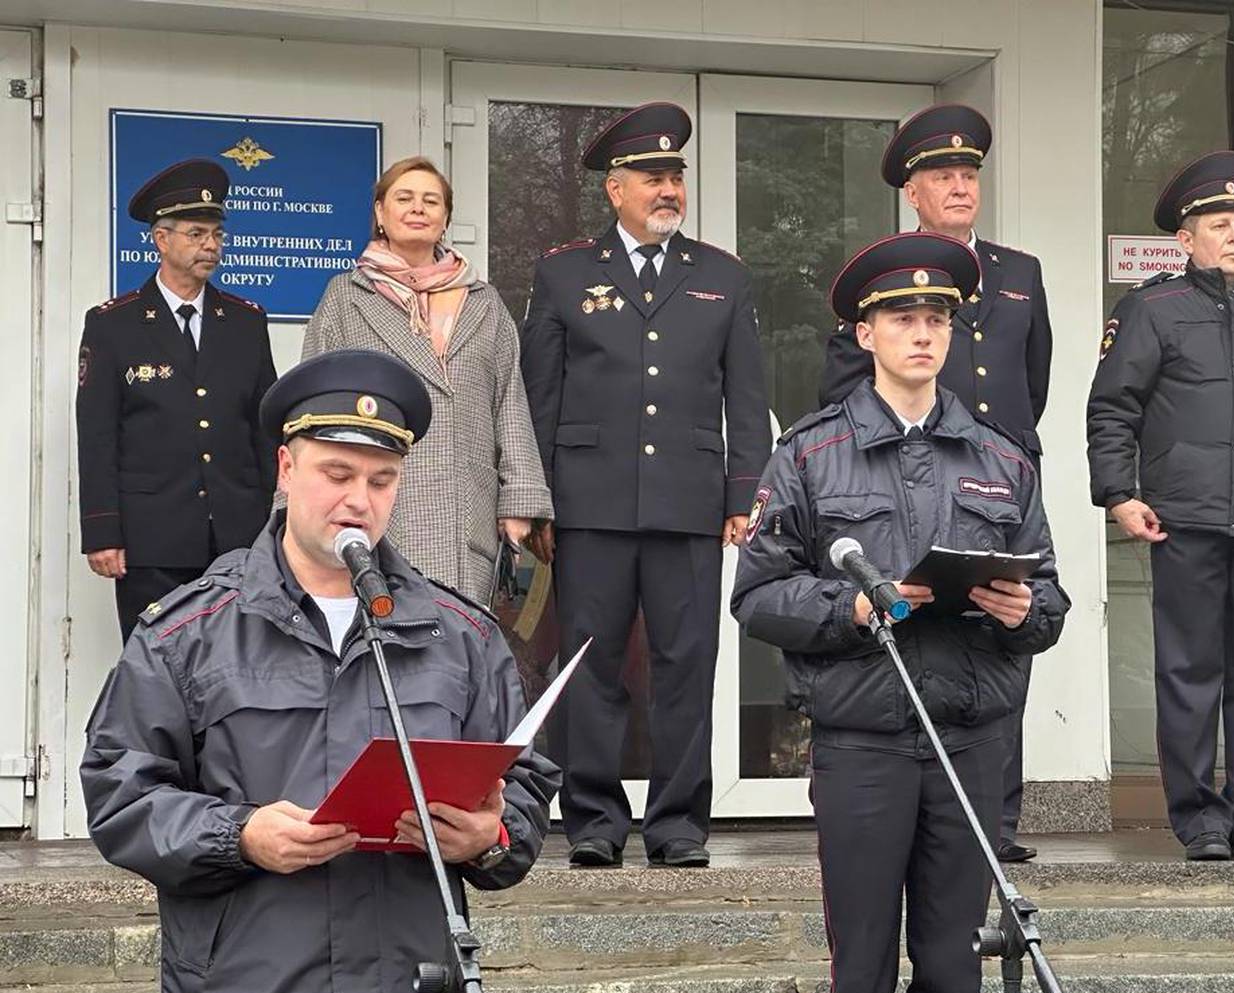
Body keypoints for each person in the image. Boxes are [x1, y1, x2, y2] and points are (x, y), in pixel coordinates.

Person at [80, 349, 561, 993]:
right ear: (285, 468)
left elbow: (525, 791)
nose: (358, 500)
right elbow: (119, 792)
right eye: (336, 473)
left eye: (382, 479)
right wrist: (239, 833)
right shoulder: (188, 632)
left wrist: (489, 836)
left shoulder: (459, 636)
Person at [732, 233, 1068, 993]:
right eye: (903, 317)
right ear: (864, 332)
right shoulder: (809, 453)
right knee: (862, 967)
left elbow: (1049, 594)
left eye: (938, 320)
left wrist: (1027, 613)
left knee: (956, 967)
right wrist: (852, 609)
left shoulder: (1002, 458)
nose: (923, 333)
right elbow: (757, 596)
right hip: (864, 741)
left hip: (971, 740)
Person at [521, 102, 771, 868]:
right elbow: (540, 395)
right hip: (589, 504)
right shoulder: (564, 273)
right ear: (615, 188)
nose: (669, 190)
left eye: (676, 178)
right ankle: (593, 819)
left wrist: (743, 493)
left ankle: (677, 824)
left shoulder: (721, 276)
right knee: (590, 663)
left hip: (690, 503)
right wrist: (535, 501)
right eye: (652, 177)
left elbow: (747, 396)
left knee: (685, 664)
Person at [818, 103, 1054, 863]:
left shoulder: (1020, 272)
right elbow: (842, 388)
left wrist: (994, 458)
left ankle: (999, 819)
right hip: (902, 479)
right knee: (922, 643)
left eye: (968, 174)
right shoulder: (879, 281)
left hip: (994, 488)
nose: (959, 186)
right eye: (942, 175)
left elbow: (1034, 380)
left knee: (1003, 633)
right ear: (911, 192)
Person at [1087, 150, 1234, 862]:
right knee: (1191, 671)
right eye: (1218, 224)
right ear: (1185, 239)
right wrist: (1119, 492)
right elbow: (1112, 409)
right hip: (1184, 518)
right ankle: (1199, 815)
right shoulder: (1151, 309)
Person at [303, 156, 551, 602]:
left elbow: (509, 402)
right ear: (380, 213)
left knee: (459, 647)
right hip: (374, 504)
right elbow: (312, 410)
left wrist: (519, 501)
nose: (418, 208)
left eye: (431, 201)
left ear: (445, 218)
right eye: (404, 198)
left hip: (466, 508)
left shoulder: (484, 301)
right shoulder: (346, 296)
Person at [76, 158, 277, 642]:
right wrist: (103, 531)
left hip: (237, 535)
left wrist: (279, 524)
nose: (210, 245)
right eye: (195, 233)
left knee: (237, 666)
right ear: (161, 239)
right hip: (152, 538)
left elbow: (264, 426)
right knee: (156, 668)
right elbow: (98, 435)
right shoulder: (113, 324)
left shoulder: (246, 322)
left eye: (216, 234)